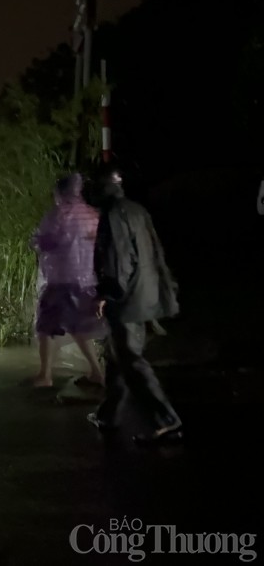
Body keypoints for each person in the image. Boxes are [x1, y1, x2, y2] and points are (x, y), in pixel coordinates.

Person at [89, 166, 183, 445]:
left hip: (128, 298)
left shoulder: (114, 214)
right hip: (144, 292)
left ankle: (167, 420)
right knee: (117, 356)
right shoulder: (137, 210)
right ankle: (108, 414)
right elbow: (154, 251)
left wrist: (107, 293)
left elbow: (119, 259)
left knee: (130, 360)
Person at [30, 174, 106, 387]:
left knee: (45, 327)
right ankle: (97, 372)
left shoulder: (57, 215)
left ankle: (45, 375)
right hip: (86, 280)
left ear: (59, 192)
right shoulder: (92, 214)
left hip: (60, 280)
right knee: (79, 327)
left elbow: (44, 242)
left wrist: (37, 243)